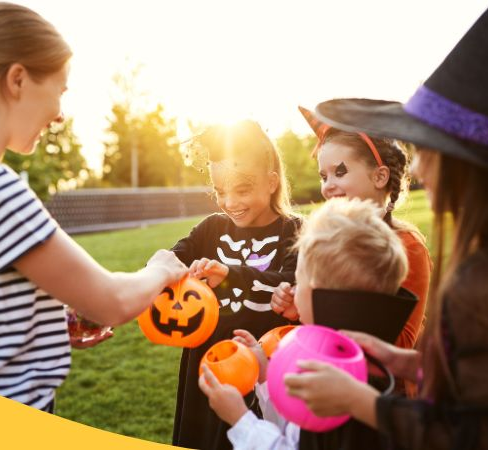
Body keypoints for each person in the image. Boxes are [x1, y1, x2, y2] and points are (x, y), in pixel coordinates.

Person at [282, 0, 488, 448]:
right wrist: (405, 362)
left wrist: (359, 400)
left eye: (427, 151)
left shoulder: (484, 281)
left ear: (465, 166)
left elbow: (475, 433)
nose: (417, 169)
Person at [0, 2, 186, 412]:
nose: (60, 115)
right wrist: (161, 269)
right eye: (60, 91)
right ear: (17, 79)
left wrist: (49, 324)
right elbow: (112, 301)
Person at [199, 198, 409, 449]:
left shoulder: (338, 387)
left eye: (299, 281)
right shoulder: (340, 357)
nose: (293, 289)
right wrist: (265, 374)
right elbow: (294, 425)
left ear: (321, 296)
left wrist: (241, 419)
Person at [168, 120, 302, 450]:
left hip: (262, 376)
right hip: (207, 368)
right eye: (220, 191)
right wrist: (155, 271)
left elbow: (289, 284)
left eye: (241, 189)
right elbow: (168, 261)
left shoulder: (294, 232)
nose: (230, 202)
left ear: (272, 183)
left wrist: (229, 273)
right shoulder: (210, 230)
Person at [271, 107, 431, 356]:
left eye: (340, 172)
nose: (327, 186)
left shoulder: (406, 245)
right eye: (323, 176)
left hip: (380, 389)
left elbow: (401, 341)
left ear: (379, 177)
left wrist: (322, 314)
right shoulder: (328, 240)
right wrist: (304, 308)